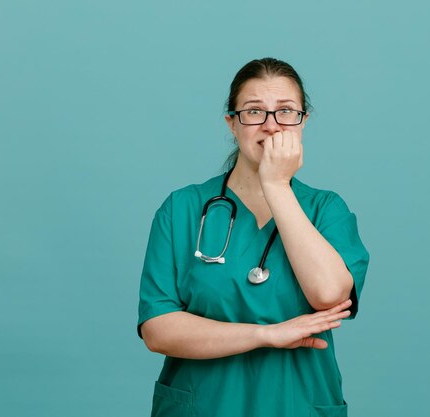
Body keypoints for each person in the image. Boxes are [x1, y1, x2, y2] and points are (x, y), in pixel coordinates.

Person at [137, 57, 369, 417]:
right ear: (232, 123)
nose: (271, 125)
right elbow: (158, 329)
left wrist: (276, 184)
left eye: (286, 111)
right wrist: (266, 335)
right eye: (254, 112)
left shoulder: (327, 210)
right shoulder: (182, 209)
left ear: (303, 122)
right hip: (205, 406)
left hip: (297, 405)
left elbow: (328, 295)